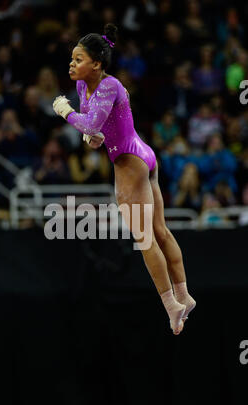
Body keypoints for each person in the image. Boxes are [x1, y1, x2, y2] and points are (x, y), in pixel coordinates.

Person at [52, 23, 196, 335]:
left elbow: (89, 122)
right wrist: (91, 139)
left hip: (130, 161)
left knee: (145, 240)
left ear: (97, 64)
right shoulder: (83, 88)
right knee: (160, 231)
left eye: (78, 59)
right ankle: (184, 295)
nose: (72, 64)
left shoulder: (109, 86)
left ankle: (171, 303)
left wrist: (64, 112)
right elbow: (96, 130)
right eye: (72, 58)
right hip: (139, 155)